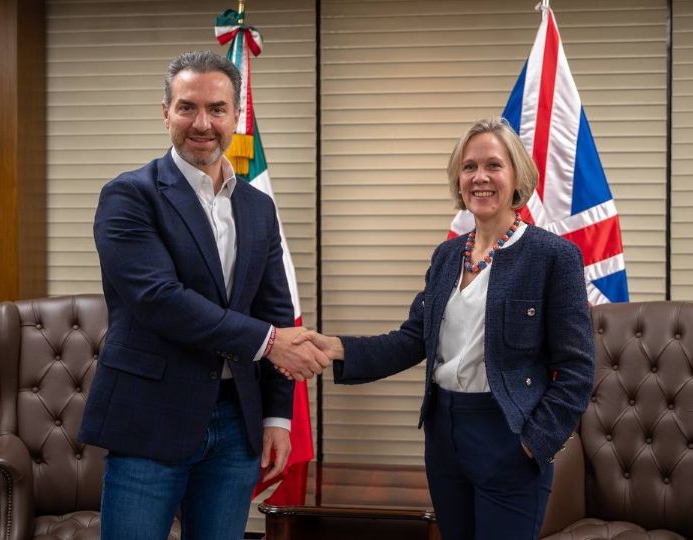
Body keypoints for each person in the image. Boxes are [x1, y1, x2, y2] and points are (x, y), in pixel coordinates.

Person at [296, 117, 595, 540]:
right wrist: (336, 348)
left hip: (508, 435)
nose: (480, 177)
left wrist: (532, 443)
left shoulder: (552, 257)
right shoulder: (447, 255)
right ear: (458, 179)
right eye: (469, 167)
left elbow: (578, 370)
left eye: (494, 165)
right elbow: (412, 339)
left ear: (517, 177)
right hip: (444, 437)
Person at [78, 50, 329, 540]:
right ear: (166, 111)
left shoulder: (257, 207)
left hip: (237, 419)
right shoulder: (129, 195)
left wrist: (278, 415)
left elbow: (276, 311)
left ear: (237, 116)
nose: (202, 123)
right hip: (149, 415)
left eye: (217, 109)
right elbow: (159, 298)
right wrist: (268, 342)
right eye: (187, 107)